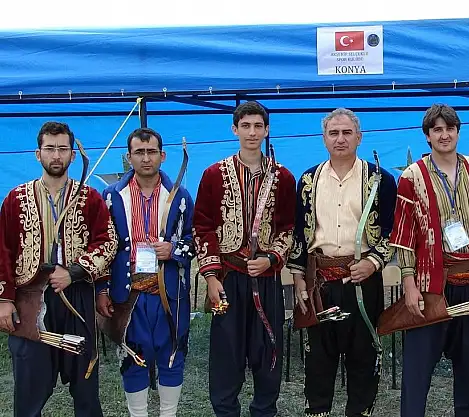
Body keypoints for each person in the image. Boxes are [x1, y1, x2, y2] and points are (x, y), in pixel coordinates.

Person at [0, 121, 117, 417]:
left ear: (72, 155)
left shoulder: (89, 197)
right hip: (30, 299)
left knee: (85, 385)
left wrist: (74, 272)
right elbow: (3, 250)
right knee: (29, 388)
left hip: (76, 296)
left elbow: (108, 241)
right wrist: (4, 299)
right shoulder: (16, 199)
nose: (56, 155)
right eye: (49, 148)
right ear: (37, 153)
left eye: (62, 149)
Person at [288, 108, 396, 417]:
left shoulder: (380, 179)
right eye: (333, 133)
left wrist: (373, 262)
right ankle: (318, 410)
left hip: (363, 278)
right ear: (323, 139)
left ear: (359, 137)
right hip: (319, 281)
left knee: (363, 353)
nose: (340, 139)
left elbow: (393, 230)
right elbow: (299, 231)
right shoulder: (308, 180)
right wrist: (298, 277)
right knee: (318, 357)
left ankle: (359, 411)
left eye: (347, 132)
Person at [193, 101, 296, 417]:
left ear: (267, 130)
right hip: (226, 279)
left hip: (266, 278)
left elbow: (289, 228)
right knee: (226, 352)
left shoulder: (283, 177)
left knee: (268, 351)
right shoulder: (213, 175)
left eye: (258, 126)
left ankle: (264, 411)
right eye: (246, 126)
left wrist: (272, 258)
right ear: (234, 129)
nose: (252, 132)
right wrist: (211, 277)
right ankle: (226, 411)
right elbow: (202, 226)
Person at [389, 104, 469, 417]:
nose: (444, 135)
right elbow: (404, 235)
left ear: (458, 132)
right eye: (437, 129)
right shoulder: (412, 176)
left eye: (449, 128)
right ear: (427, 136)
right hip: (430, 285)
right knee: (418, 368)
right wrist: (409, 284)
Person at [96, 128, 195, 416]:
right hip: (129, 293)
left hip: (169, 291)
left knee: (172, 354)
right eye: (139, 152)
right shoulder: (112, 197)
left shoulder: (180, 196)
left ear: (162, 155)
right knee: (132, 356)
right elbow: (103, 245)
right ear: (129, 157)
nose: (146, 158)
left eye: (151, 151)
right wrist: (102, 289)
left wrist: (173, 250)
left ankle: (168, 414)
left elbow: (195, 239)